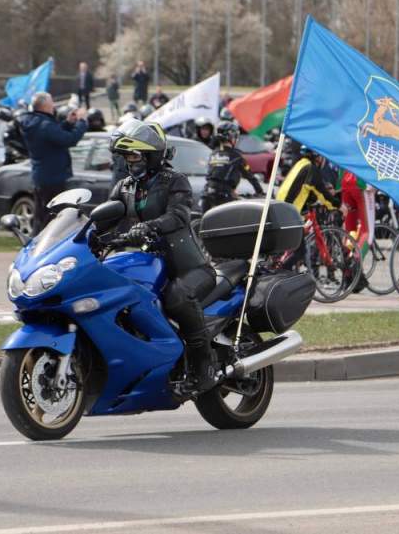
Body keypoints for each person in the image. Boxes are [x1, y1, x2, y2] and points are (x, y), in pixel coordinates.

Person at [107, 119, 219, 394]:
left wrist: (149, 227)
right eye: (125, 156)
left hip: (187, 268)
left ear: (152, 154)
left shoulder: (174, 181)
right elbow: (104, 217)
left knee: (177, 298)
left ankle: (204, 367)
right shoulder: (124, 187)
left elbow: (179, 215)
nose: (129, 161)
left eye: (133, 155)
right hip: (149, 267)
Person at [18, 92, 87, 234]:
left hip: (41, 176)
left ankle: (37, 245)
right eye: (51, 102)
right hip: (53, 177)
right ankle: (44, 248)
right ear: (45, 105)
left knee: (41, 216)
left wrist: (68, 123)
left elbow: (53, 136)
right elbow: (69, 139)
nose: (53, 106)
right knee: (52, 219)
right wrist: (81, 122)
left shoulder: (34, 122)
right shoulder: (45, 124)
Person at [201, 121, 264, 213]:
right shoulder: (236, 156)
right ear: (231, 136)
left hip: (206, 194)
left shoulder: (213, 154)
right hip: (223, 197)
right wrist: (260, 192)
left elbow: (216, 176)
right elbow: (250, 177)